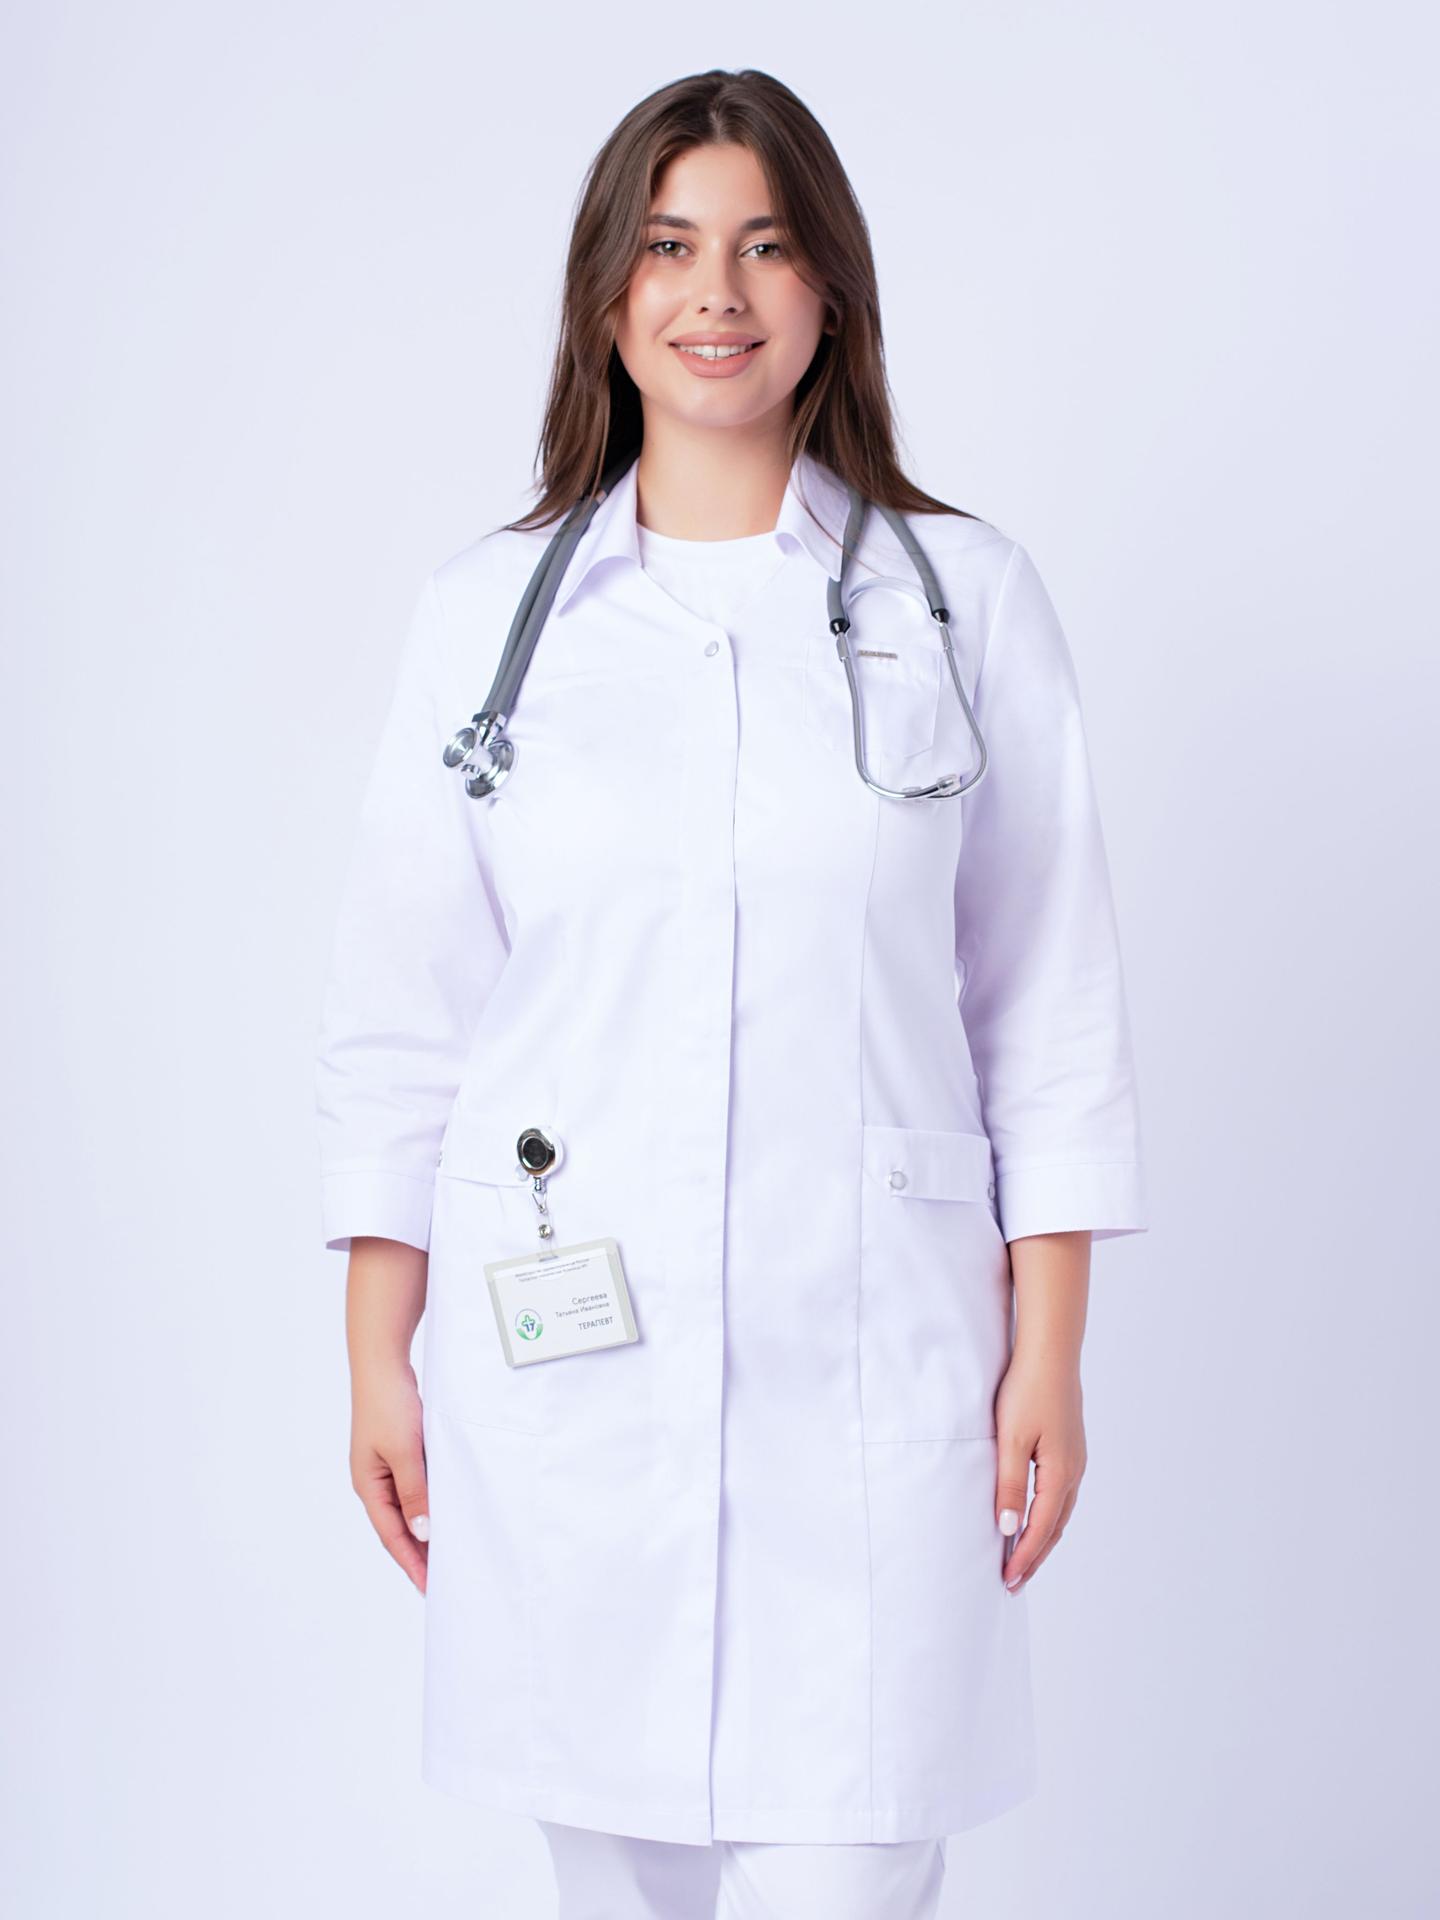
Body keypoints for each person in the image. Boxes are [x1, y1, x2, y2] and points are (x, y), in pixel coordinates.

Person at [314, 66, 1147, 1920]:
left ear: (829, 288)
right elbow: (407, 1018)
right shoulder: (490, 619)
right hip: (570, 1384)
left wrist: (1052, 1350)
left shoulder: (963, 603)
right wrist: (378, 1349)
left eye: (766, 247)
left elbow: (1049, 1009)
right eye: (671, 247)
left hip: (873, 1382)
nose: (717, 292)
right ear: (607, 294)